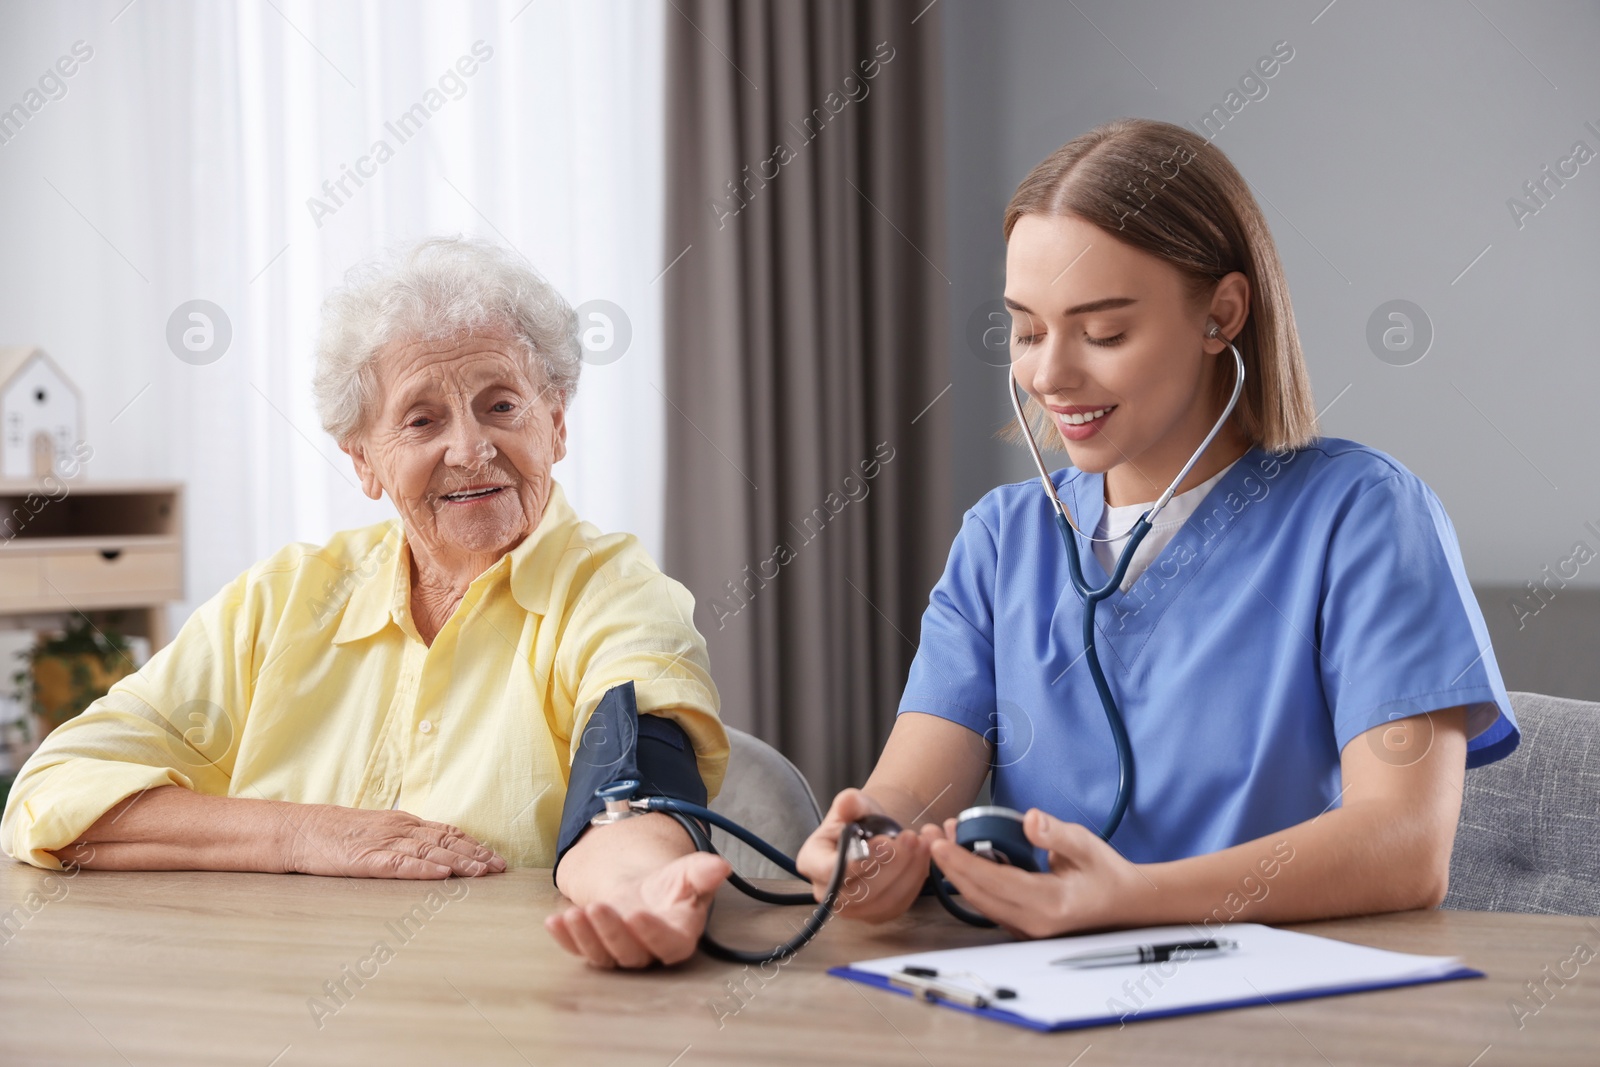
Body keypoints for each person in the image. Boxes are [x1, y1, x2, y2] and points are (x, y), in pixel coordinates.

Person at [796, 118, 1520, 938]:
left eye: (1103, 332)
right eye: (1028, 330)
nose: (1050, 373)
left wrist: (1125, 897)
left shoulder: (1366, 515)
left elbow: (1405, 846)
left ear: (1222, 314)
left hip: (1293, 1010)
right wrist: (866, 852)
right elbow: (907, 797)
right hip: (1049, 1005)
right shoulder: (1003, 540)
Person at [1, 236, 733, 968]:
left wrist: (635, 888)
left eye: (501, 404)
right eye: (422, 420)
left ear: (557, 422)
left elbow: (634, 790)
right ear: (363, 460)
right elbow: (54, 791)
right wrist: (303, 834)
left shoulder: (613, 594)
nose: (471, 448)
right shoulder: (281, 600)